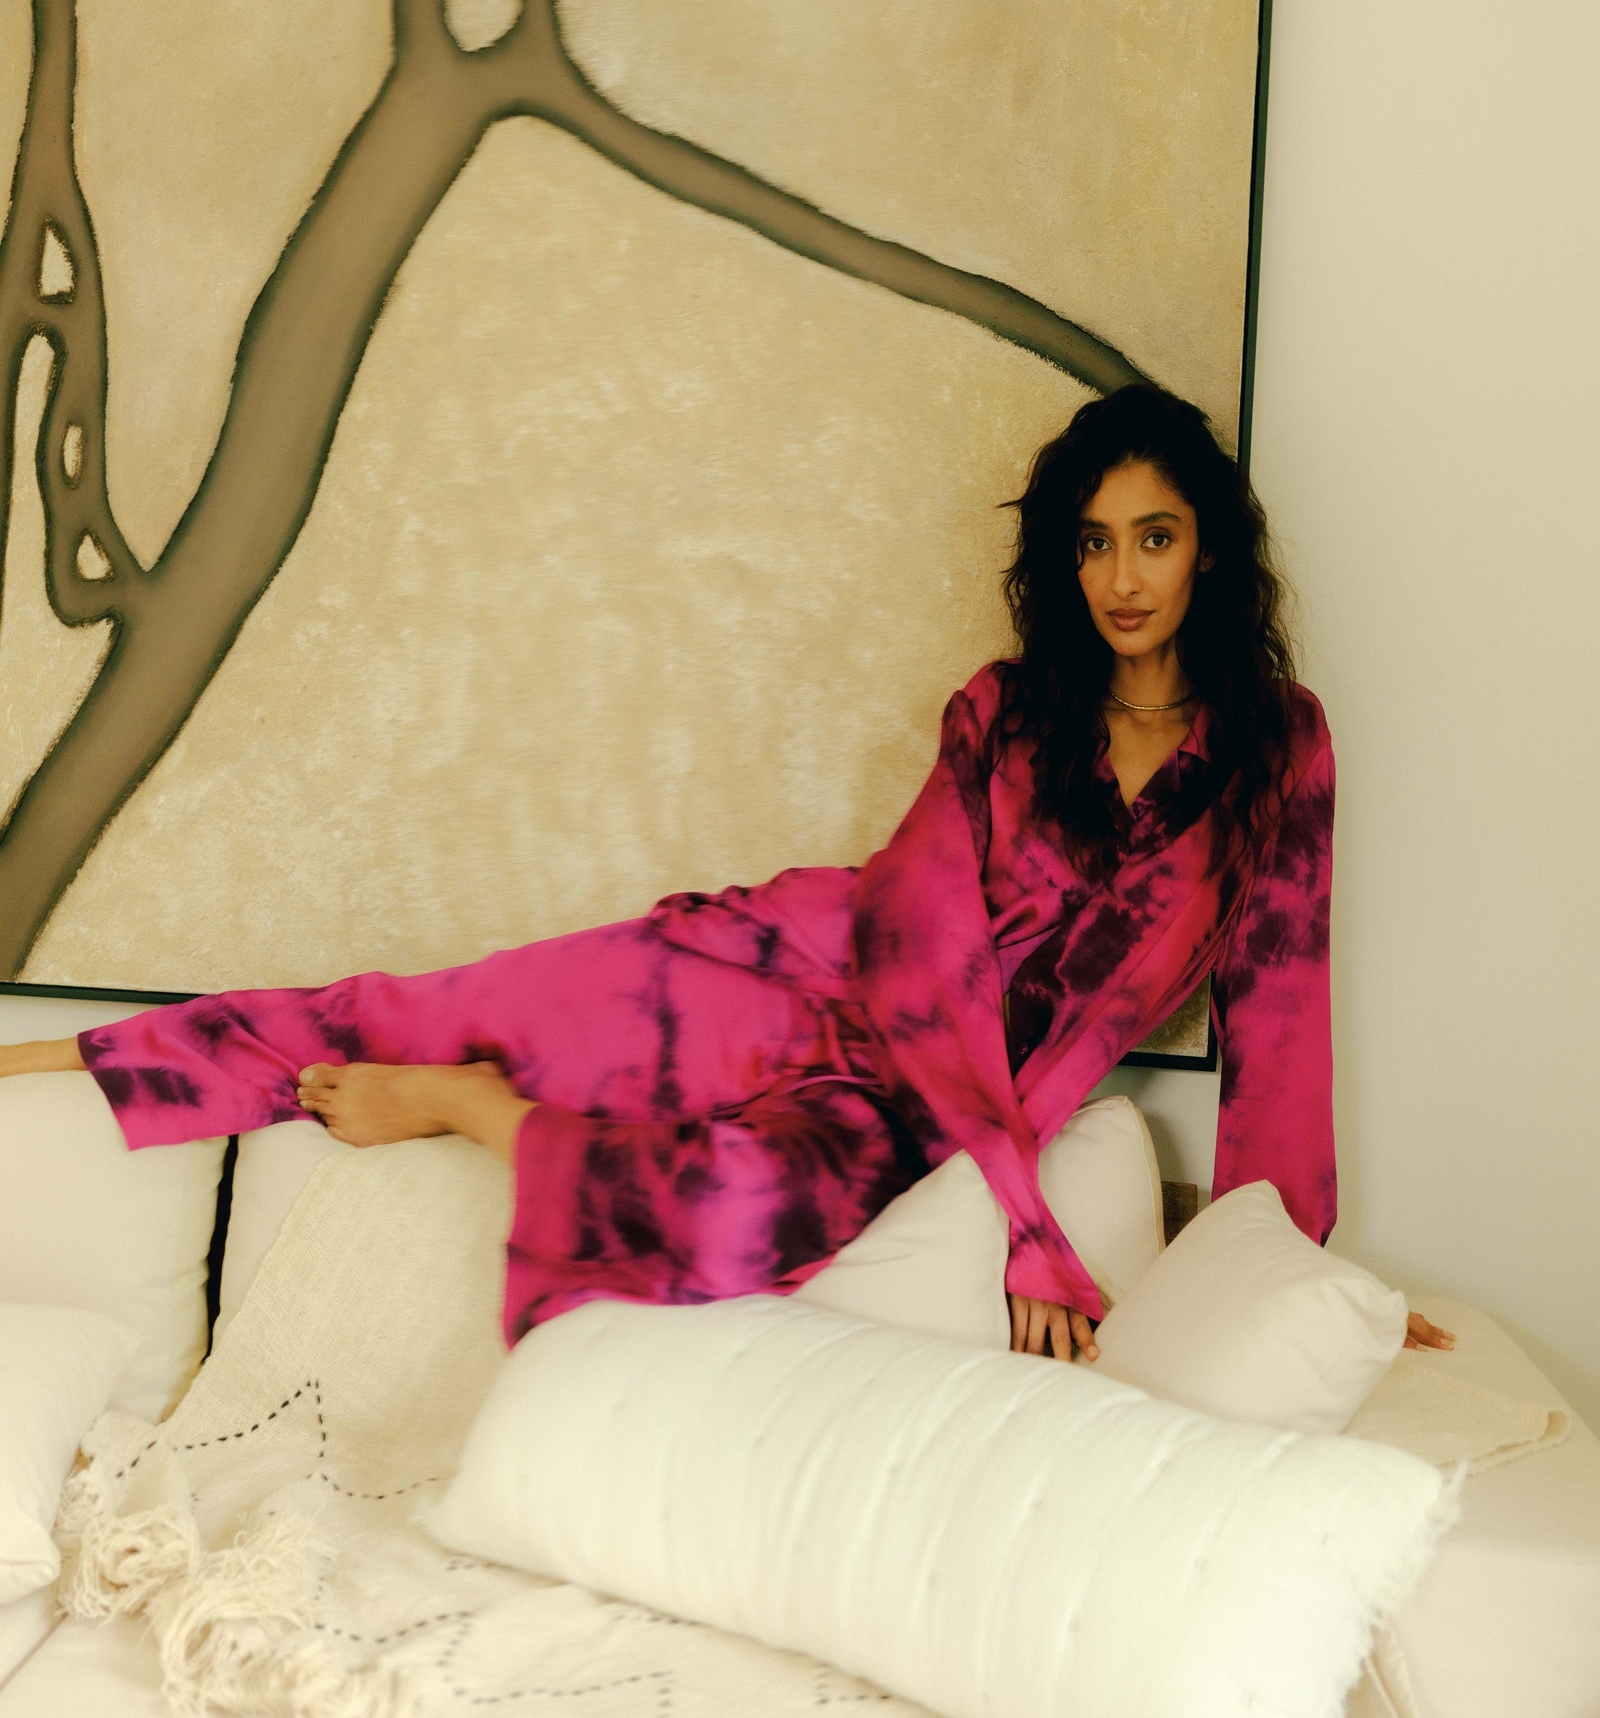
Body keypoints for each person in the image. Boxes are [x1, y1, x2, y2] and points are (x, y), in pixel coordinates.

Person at [0, 383, 1451, 1358]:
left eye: (1156, 538)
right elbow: (921, 950)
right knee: (427, 1004)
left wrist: (1300, 1281)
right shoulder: (1006, 712)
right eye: (1094, 544)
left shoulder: (1280, 754)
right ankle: (39, 1061)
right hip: (797, 968)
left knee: (727, 1222)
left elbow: (1279, 1029)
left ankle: (475, 1113)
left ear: (1210, 554)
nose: (1123, 577)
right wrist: (1027, 1221)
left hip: (907, 1107)